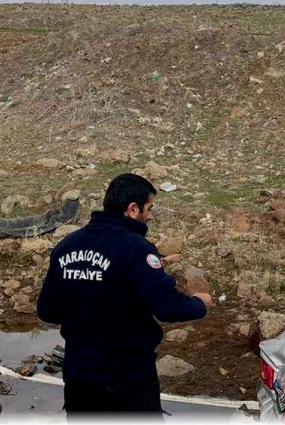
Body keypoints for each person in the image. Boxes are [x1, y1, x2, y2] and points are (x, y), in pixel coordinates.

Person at [37, 173, 213, 415]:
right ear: (132, 209)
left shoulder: (67, 246)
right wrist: (199, 304)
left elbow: (47, 310)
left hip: (79, 376)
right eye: (149, 208)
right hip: (127, 379)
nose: (150, 216)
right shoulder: (136, 249)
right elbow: (167, 306)